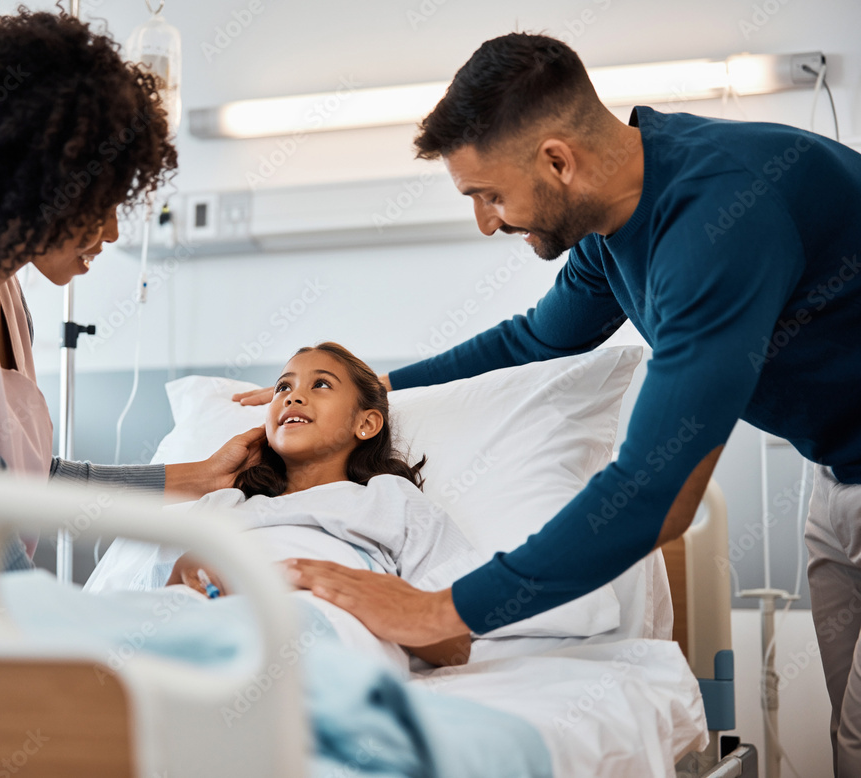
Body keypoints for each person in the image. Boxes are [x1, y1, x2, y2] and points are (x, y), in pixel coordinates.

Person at [241, 33, 861, 772]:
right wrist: (376, 389)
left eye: (489, 196)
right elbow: (532, 341)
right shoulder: (615, 219)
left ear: (558, 161)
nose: (487, 223)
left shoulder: (716, 225)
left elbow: (653, 495)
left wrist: (439, 610)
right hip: (839, 472)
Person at [0, 10, 263, 570]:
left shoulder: (3, 294)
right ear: (33, 184)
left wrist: (196, 476)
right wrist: (57, 631)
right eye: (103, 204)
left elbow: (29, 480)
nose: (114, 231)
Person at [91, 343, 480, 668]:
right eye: (282, 387)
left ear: (366, 423)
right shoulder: (224, 502)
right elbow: (155, 594)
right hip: (204, 614)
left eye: (322, 384)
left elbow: (455, 644)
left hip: (319, 618)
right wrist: (183, 570)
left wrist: (370, 599)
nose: (292, 395)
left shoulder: (391, 498)